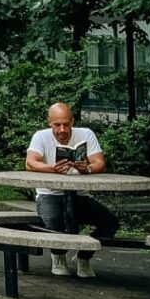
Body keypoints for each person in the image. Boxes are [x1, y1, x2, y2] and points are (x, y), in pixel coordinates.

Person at [25, 102, 118, 279]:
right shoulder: (41, 137)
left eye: (66, 124)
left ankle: (84, 256)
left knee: (110, 222)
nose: (62, 130)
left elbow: (99, 162)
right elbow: (30, 162)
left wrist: (88, 168)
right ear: (49, 123)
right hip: (49, 194)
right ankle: (58, 256)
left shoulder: (86, 134)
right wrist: (53, 168)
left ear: (72, 122)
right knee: (54, 221)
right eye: (57, 125)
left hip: (79, 194)